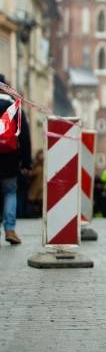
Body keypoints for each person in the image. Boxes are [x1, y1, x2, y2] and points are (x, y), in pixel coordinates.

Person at [0, 76, 31, 244]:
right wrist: (26, 163)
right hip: (10, 158)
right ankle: (10, 229)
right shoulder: (14, 108)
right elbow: (24, 137)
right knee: (10, 192)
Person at [27, 149, 44, 217]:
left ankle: (39, 213)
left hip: (41, 186)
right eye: (41, 154)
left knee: (40, 200)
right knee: (34, 200)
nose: (42, 156)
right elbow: (31, 173)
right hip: (35, 185)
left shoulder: (44, 165)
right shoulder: (36, 165)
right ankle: (34, 213)